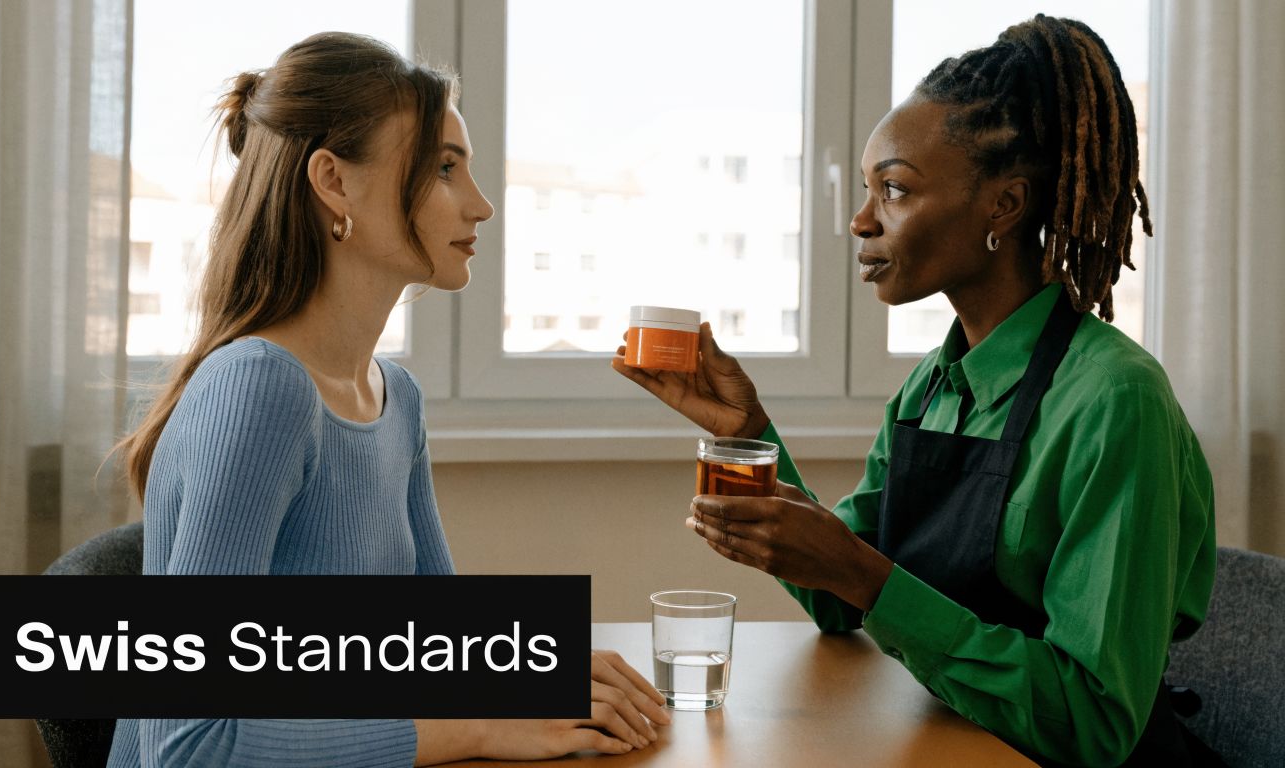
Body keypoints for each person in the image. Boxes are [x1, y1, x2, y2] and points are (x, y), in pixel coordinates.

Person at [613, 15, 1219, 767]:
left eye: (893, 190)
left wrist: (862, 574)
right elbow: (843, 599)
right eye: (867, 190)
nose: (860, 219)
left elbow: (1090, 725)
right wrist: (753, 431)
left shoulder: (1114, 402)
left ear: (1004, 206)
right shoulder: (933, 388)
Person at [110, 32, 669, 767]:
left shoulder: (392, 396)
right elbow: (186, 747)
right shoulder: (260, 388)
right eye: (443, 169)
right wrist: (480, 727)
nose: (481, 205)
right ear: (334, 182)